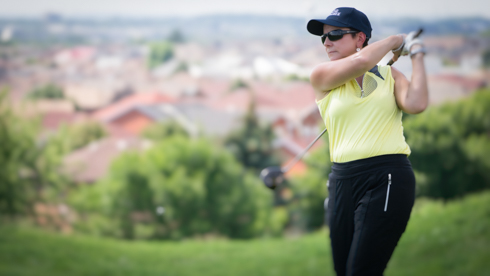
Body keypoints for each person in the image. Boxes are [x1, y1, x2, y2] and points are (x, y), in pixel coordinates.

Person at [306, 7, 428, 276]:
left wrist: (416, 53)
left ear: (360, 38)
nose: (327, 42)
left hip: (388, 177)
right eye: (324, 37)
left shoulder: (390, 76)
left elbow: (416, 103)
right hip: (342, 181)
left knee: (362, 271)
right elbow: (359, 64)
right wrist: (396, 40)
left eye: (335, 34)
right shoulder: (321, 76)